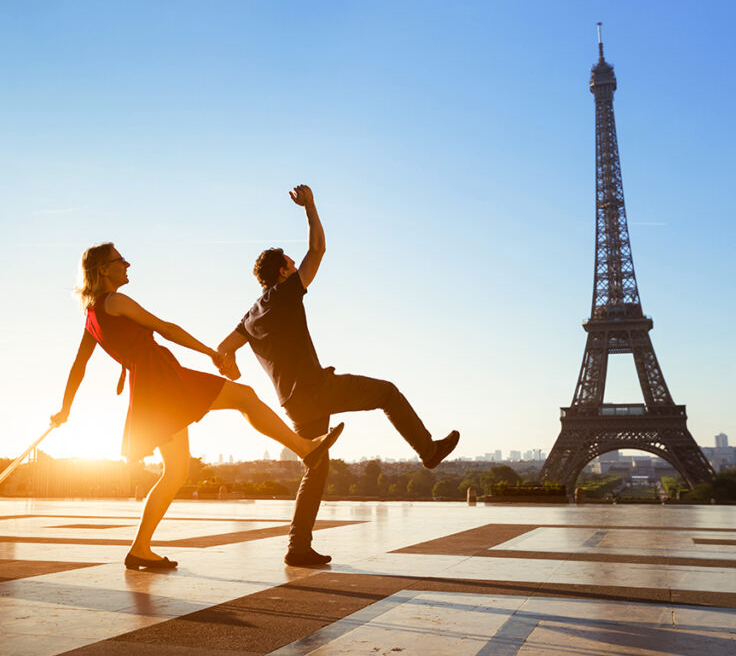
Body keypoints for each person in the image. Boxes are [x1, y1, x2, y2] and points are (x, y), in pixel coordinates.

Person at [50, 242, 343, 570]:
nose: (128, 264)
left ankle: (140, 549)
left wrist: (65, 408)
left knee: (176, 472)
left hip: (149, 386)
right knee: (244, 396)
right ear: (104, 269)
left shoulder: (91, 314)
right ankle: (305, 448)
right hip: (161, 379)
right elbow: (166, 328)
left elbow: (79, 365)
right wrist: (211, 353)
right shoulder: (115, 301)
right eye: (121, 261)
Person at [216, 185, 460, 567]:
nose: (298, 269)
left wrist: (230, 365)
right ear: (281, 272)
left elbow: (223, 349)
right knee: (387, 393)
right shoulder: (284, 293)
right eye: (291, 265)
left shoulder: (252, 313)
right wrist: (310, 207)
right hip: (317, 389)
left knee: (315, 467)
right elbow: (318, 250)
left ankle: (298, 546)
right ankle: (428, 451)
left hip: (292, 404)